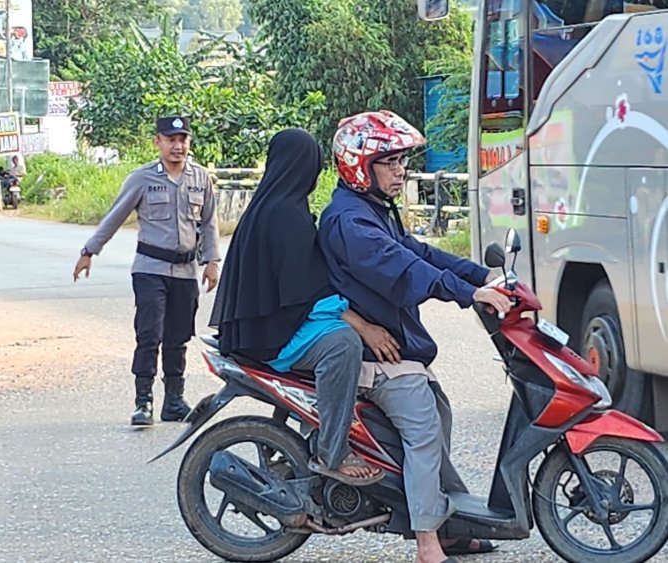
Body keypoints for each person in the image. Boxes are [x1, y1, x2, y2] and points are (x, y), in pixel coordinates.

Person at [318, 110, 510, 563]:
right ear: (359, 164)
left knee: (437, 417)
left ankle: (453, 526)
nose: (400, 170)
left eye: (402, 160)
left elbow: (419, 252)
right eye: (390, 161)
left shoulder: (372, 210)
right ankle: (428, 544)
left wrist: (483, 274)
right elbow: (406, 270)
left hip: (396, 349)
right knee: (423, 433)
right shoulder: (351, 222)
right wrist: (469, 293)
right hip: (373, 356)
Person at [210, 128, 399, 485]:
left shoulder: (270, 205)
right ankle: (333, 451)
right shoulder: (286, 215)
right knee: (342, 345)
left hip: (260, 327)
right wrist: (362, 325)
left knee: (339, 335)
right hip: (270, 337)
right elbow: (307, 291)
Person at [73, 116, 221, 426]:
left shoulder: (200, 178)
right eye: (170, 139)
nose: (177, 146)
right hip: (150, 270)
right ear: (158, 142)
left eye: (183, 139)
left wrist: (211, 262)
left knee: (178, 337)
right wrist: (89, 251)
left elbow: (208, 222)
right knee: (149, 335)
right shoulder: (142, 179)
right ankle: (144, 402)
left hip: (185, 271)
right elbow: (116, 216)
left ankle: (174, 401)